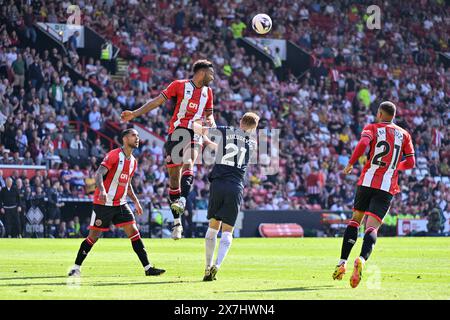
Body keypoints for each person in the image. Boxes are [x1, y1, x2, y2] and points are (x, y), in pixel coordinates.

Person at [121, 60, 216, 240]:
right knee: (174, 178)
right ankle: (177, 222)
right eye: (211, 74)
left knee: (189, 162)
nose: (213, 78)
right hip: (176, 133)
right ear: (202, 73)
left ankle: (182, 200)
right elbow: (156, 102)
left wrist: (211, 121)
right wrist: (134, 113)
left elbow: (209, 115)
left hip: (195, 132)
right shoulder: (179, 85)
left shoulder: (208, 92)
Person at [332, 101, 415, 288]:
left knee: (355, 221)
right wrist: (393, 167)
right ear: (393, 116)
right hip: (386, 186)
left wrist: (351, 163)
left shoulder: (372, 128)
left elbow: (363, 143)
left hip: (367, 181)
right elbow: (410, 163)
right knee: (372, 228)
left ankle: (342, 262)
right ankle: (361, 258)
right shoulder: (405, 134)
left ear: (379, 113)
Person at [68, 129, 165, 277]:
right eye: (134, 136)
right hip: (103, 203)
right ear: (125, 139)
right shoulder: (114, 155)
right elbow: (99, 173)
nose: (137, 138)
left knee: (134, 232)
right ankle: (76, 267)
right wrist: (101, 190)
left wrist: (136, 202)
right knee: (93, 236)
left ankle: (148, 268)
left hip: (120, 203)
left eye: (138, 136)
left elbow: (127, 184)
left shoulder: (133, 161)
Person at [201, 112, 259, 281]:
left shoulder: (227, 131)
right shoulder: (253, 144)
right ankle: (217, 265)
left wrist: (204, 135)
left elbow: (208, 134)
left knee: (213, 227)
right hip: (235, 186)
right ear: (254, 128)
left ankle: (206, 267)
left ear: (241, 121)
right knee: (228, 232)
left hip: (218, 184)